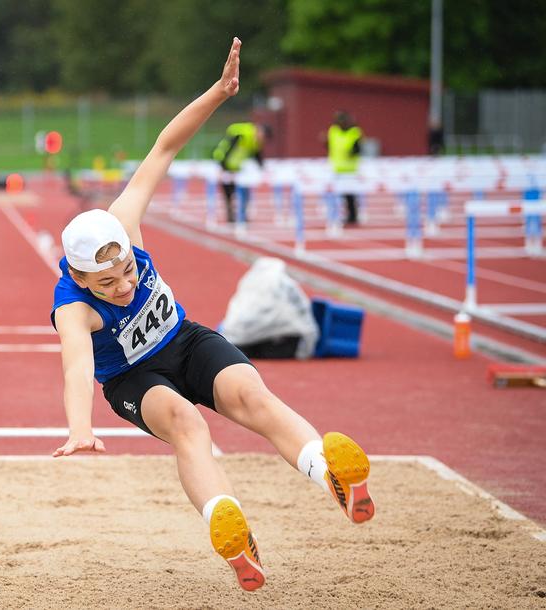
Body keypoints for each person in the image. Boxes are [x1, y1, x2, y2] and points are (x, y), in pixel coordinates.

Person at [51, 38, 375, 593]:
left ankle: (331, 475)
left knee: (252, 394)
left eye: (128, 271)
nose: (125, 286)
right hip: (134, 378)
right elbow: (77, 369)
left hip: (185, 339)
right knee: (188, 424)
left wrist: (220, 93)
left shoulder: (123, 221)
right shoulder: (74, 309)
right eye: (108, 283)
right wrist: (80, 429)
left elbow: (164, 147)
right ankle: (231, 532)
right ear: (80, 278)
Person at [212, 121, 269, 223]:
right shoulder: (243, 134)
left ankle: (241, 215)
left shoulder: (255, 140)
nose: (262, 140)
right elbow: (227, 148)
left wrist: (263, 168)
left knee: (243, 190)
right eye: (263, 137)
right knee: (229, 192)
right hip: (225, 165)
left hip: (237, 168)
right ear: (260, 132)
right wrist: (222, 166)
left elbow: (257, 155)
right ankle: (231, 215)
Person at [327, 111, 362, 225]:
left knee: (349, 194)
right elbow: (329, 145)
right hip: (336, 168)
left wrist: (351, 152)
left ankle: (352, 216)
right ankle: (337, 215)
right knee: (337, 194)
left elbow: (358, 149)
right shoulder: (333, 131)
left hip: (350, 169)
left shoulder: (354, 132)